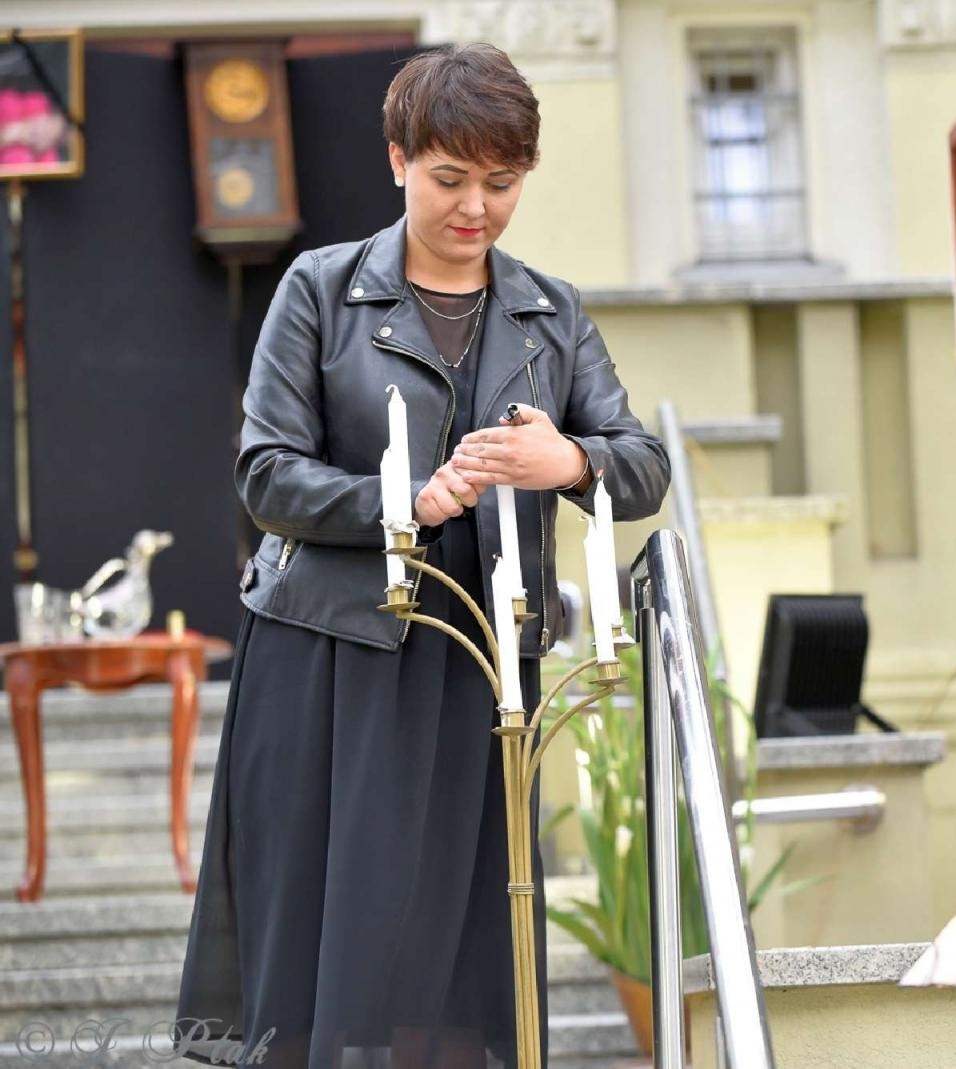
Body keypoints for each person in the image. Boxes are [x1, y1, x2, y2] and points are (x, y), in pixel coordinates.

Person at [176, 44, 669, 1067]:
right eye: (450, 178)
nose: (476, 208)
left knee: (459, 955)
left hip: (478, 667)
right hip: (324, 654)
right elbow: (264, 473)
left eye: (502, 182)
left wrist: (564, 458)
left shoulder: (551, 312)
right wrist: (403, 500)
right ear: (398, 159)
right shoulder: (317, 291)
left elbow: (642, 467)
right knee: (320, 938)